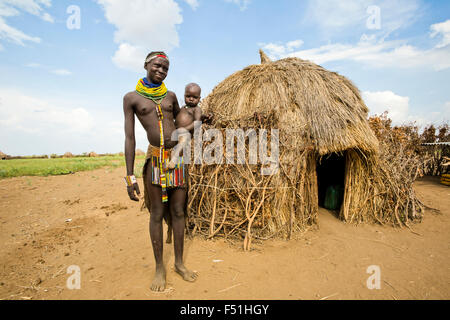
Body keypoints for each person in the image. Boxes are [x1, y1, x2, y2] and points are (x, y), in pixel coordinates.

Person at [123, 51, 198, 292]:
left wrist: (199, 118)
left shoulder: (171, 96)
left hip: (176, 159)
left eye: (166, 68)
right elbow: (130, 138)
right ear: (146, 64)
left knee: (178, 211)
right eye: (157, 66)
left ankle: (178, 263)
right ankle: (159, 267)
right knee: (156, 213)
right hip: (155, 159)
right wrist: (129, 176)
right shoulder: (132, 98)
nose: (162, 71)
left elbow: (181, 123)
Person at [168, 83, 203, 169]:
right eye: (188, 96)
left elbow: (197, 122)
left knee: (184, 138)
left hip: (187, 133)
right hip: (176, 132)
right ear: (184, 96)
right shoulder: (183, 107)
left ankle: (174, 159)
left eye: (194, 97)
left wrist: (184, 129)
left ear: (199, 99)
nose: (191, 99)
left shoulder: (197, 109)